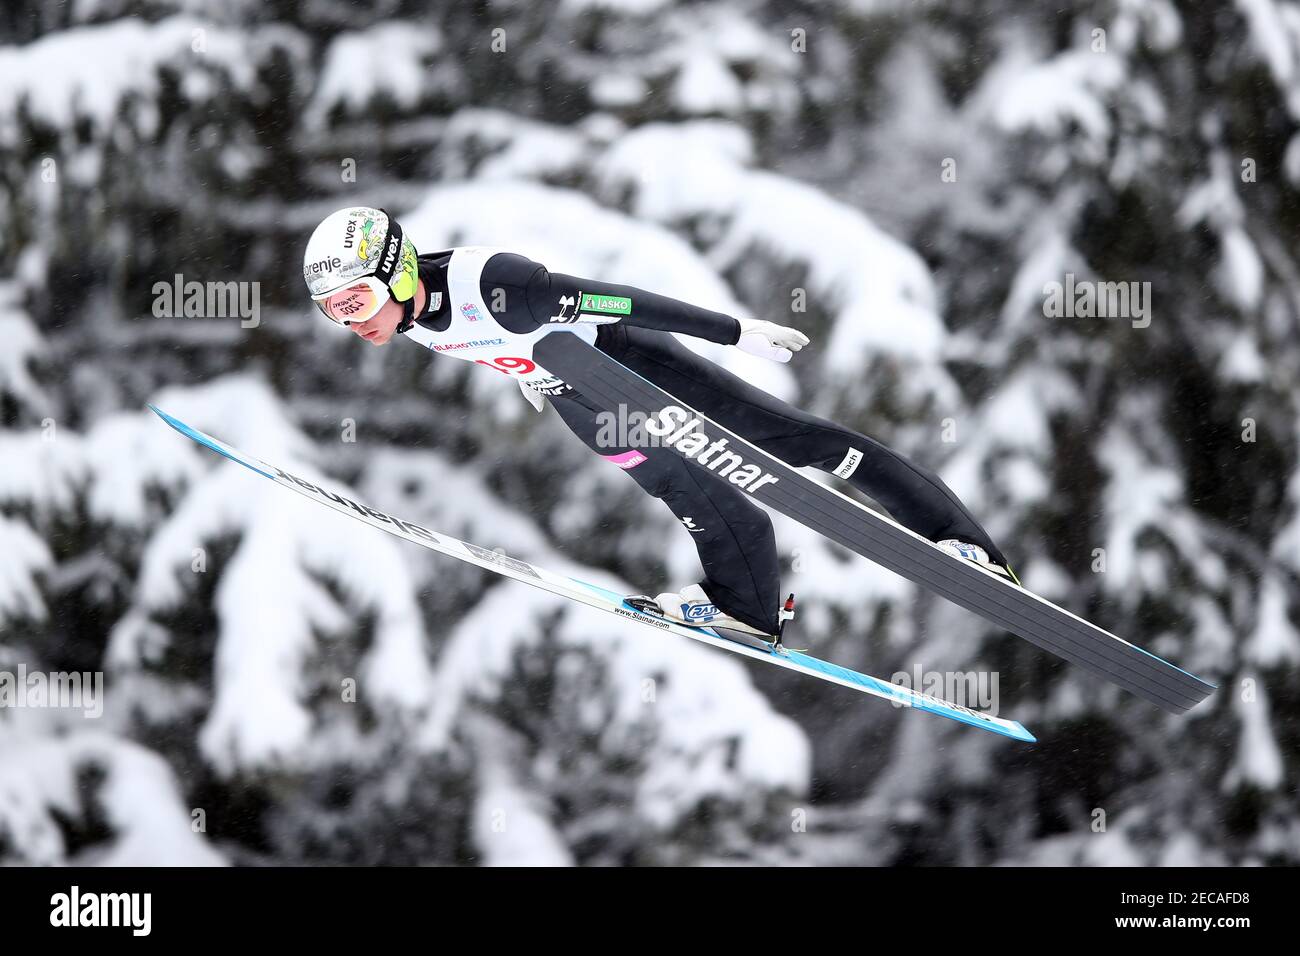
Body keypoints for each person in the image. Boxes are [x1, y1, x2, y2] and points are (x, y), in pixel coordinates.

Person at [302, 206, 1011, 637]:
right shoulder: (406, 316)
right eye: (334, 311)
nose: (351, 322)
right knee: (689, 493)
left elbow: (622, 302)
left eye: (356, 301)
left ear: (396, 273)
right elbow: (472, 339)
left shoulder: (500, 287)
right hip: (576, 396)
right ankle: (750, 610)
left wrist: (732, 332)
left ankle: (965, 546)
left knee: (792, 443)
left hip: (631, 362)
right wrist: (520, 372)